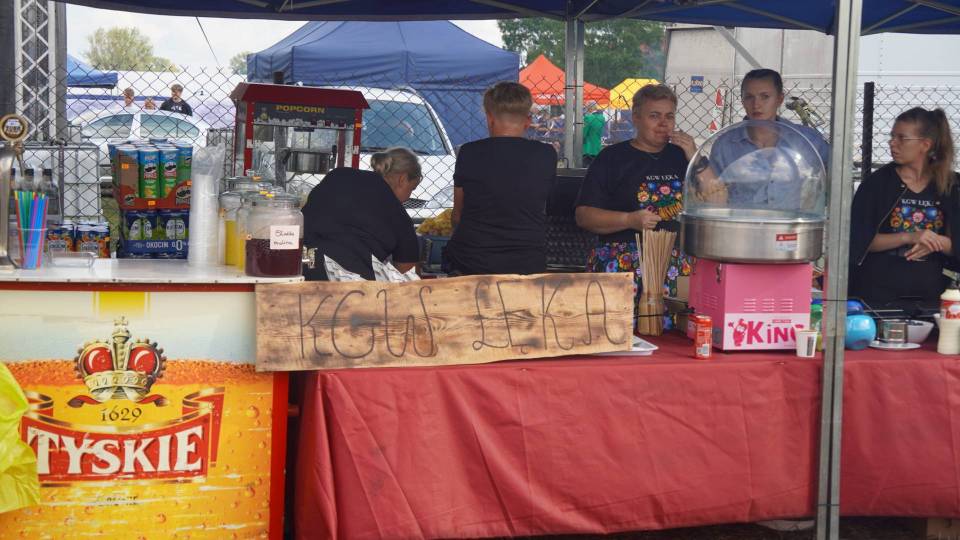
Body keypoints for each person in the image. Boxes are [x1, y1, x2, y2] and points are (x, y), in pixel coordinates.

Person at [575, 84, 697, 312]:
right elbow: (584, 216)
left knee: (676, 332)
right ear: (636, 118)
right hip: (622, 261)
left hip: (675, 265)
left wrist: (695, 156)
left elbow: (718, 197)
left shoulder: (683, 157)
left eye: (669, 116)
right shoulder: (612, 158)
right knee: (618, 328)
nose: (663, 123)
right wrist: (629, 220)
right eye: (654, 116)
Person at [849, 107, 959, 306]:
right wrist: (910, 236)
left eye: (902, 138)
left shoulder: (952, 186)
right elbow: (858, 241)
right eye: (892, 136)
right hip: (878, 291)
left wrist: (937, 241)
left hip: (935, 293)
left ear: (925, 145)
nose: (892, 143)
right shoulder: (877, 183)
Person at [444, 81, 557, 275]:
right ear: (528, 120)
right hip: (527, 261)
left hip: (472, 261)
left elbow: (457, 215)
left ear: (490, 118)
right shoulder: (546, 154)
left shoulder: (469, 152)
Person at [700, 68, 830, 208]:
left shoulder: (807, 140)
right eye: (749, 97)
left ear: (779, 99)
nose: (756, 105)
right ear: (742, 100)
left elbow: (837, 174)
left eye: (765, 96)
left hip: (792, 222)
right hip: (741, 221)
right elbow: (714, 194)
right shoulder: (725, 145)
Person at [301, 147, 422, 281]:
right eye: (412, 189)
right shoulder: (399, 216)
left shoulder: (338, 175)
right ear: (402, 179)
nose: (408, 197)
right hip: (352, 283)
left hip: (302, 266)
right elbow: (408, 278)